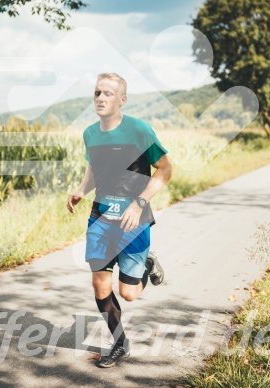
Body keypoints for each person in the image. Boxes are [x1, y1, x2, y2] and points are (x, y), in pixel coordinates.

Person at [66, 73, 173, 368]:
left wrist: (139, 204)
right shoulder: (90, 133)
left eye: (109, 94)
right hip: (100, 218)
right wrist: (81, 190)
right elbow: (94, 166)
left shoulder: (139, 131)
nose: (101, 98)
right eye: (97, 92)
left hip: (133, 220)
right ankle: (119, 342)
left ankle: (147, 262)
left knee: (128, 294)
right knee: (100, 286)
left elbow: (165, 169)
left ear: (122, 100)